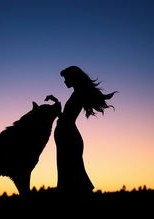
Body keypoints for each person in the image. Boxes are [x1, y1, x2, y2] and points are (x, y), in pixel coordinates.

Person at [46, 66, 117, 196]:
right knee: (69, 170)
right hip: (67, 135)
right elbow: (67, 115)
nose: (64, 81)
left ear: (73, 78)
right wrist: (57, 103)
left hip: (68, 136)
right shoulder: (77, 93)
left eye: (66, 78)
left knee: (70, 170)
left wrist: (56, 110)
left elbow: (67, 118)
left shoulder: (79, 94)